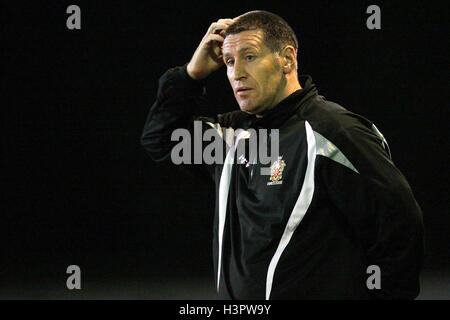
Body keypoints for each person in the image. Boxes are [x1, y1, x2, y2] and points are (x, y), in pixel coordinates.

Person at [141, 10, 424, 300]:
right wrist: (191, 75)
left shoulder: (335, 133)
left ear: (287, 59)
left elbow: (400, 224)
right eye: (229, 61)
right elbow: (161, 139)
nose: (237, 73)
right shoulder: (230, 138)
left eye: (249, 57)